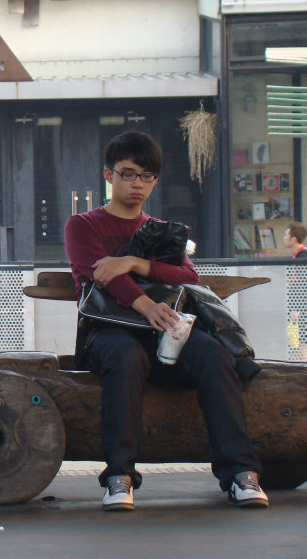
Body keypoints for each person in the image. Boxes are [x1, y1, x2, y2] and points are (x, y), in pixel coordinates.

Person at [64, 130, 268, 511]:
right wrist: (145, 304)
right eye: (128, 174)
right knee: (126, 357)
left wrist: (135, 262)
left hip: (166, 333)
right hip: (107, 333)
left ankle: (240, 472)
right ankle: (119, 477)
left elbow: (189, 277)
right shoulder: (83, 225)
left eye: (147, 176)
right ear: (108, 175)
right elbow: (98, 275)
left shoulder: (161, 230)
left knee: (215, 356)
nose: (137, 183)